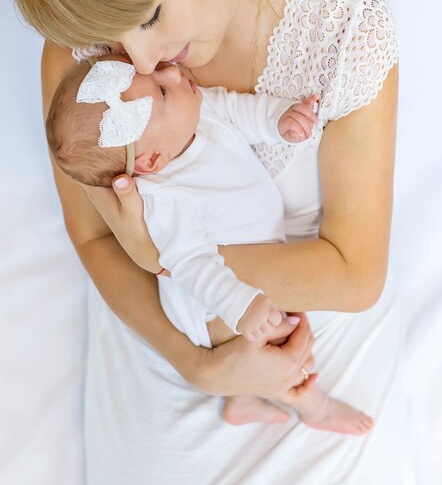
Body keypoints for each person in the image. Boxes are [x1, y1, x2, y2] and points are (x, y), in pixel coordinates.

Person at [7, 0, 414, 485]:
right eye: (117, 41)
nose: (140, 59)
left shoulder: (344, 25)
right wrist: (197, 364)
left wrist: (164, 257)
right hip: (161, 345)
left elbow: (355, 276)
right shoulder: (85, 45)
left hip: (310, 346)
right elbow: (92, 238)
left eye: (148, 17)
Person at [46, 55, 374, 434]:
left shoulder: (194, 112)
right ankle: (313, 405)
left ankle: (240, 401)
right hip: (211, 304)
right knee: (282, 337)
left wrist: (279, 122)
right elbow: (189, 262)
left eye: (155, 74)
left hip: (254, 265)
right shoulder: (163, 199)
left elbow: (239, 112)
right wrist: (239, 305)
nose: (172, 72)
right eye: (164, 91)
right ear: (153, 159)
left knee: (286, 317)